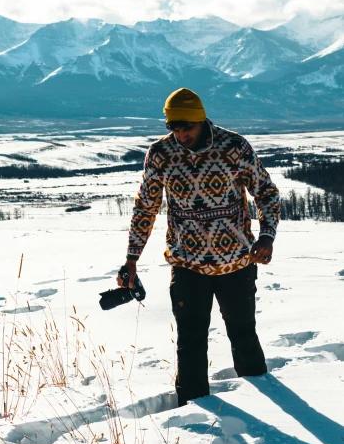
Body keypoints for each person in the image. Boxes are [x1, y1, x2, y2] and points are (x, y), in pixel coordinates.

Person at [120, 87, 280, 406]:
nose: (180, 135)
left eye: (186, 127)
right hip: (187, 264)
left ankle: (265, 407)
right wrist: (131, 258)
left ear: (200, 120)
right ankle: (191, 410)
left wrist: (267, 235)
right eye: (173, 128)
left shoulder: (234, 147)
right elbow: (145, 207)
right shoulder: (161, 154)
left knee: (243, 335)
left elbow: (267, 194)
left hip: (237, 262)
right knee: (190, 342)